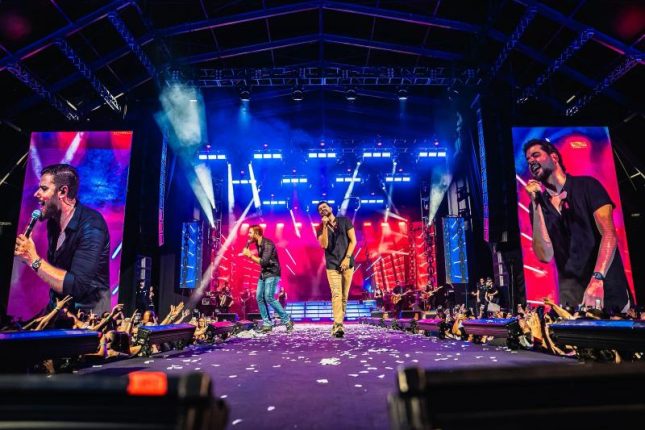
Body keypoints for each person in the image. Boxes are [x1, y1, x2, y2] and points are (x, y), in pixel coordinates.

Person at [524, 138, 631, 312]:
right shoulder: (537, 205)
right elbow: (545, 255)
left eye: (536, 155)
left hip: (606, 290)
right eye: (528, 160)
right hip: (572, 301)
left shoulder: (588, 186)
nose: (531, 161)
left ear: (554, 157)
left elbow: (609, 234)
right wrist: (535, 203)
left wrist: (597, 279)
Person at [14, 164, 111, 315]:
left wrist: (32, 258)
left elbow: (76, 286)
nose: (36, 194)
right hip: (59, 310)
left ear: (63, 192)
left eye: (44, 189)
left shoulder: (92, 225)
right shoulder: (53, 222)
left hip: (87, 318)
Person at [316, 201, 357, 338]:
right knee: (336, 295)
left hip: (347, 264)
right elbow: (324, 245)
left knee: (344, 297)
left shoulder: (344, 221)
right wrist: (325, 226)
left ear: (331, 208)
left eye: (324, 207)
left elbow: (353, 241)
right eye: (320, 209)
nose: (322, 209)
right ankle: (339, 325)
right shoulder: (320, 228)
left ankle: (337, 324)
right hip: (332, 265)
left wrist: (347, 258)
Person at [242, 225, 294, 333]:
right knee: (259, 297)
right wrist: (248, 245)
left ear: (257, 234)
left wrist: (250, 255)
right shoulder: (258, 243)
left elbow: (264, 262)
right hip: (264, 273)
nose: (248, 235)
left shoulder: (268, 244)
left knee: (269, 297)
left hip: (272, 273)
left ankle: (287, 320)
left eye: (250, 233)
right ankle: (267, 324)